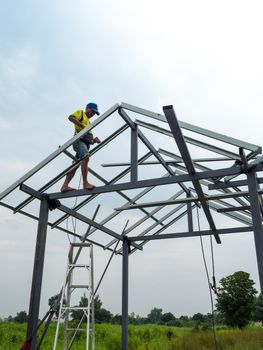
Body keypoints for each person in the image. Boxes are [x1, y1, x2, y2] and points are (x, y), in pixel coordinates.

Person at [60, 102, 101, 192]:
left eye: (94, 113)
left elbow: (87, 139)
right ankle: (85, 183)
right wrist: (81, 125)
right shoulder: (81, 113)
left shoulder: (89, 122)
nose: (93, 114)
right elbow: (71, 118)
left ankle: (64, 186)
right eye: (92, 111)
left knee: (75, 165)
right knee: (86, 157)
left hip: (84, 143)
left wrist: (94, 140)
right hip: (79, 141)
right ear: (87, 108)